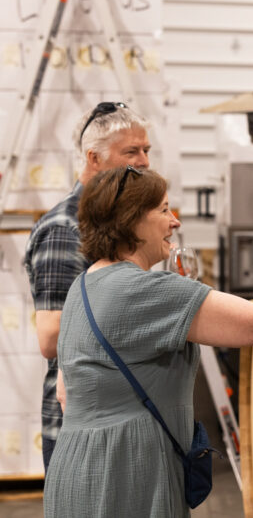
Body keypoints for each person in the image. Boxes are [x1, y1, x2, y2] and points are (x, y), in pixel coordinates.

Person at [43, 166, 253, 517]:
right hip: (127, 474)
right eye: (163, 210)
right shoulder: (143, 290)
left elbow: (66, 393)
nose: (175, 221)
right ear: (132, 220)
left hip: (74, 469)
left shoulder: (83, 286)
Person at [24, 101, 152, 472]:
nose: (144, 161)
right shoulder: (66, 230)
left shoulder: (116, 225)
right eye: (132, 151)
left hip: (113, 417)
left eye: (146, 150)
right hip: (78, 426)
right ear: (93, 158)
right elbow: (50, 336)